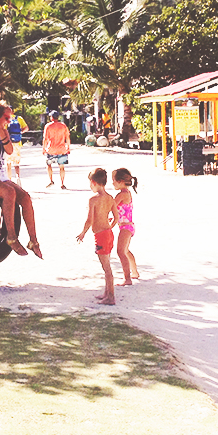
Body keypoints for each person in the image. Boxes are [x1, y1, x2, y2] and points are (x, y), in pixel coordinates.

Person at [0, 87, 42, 259]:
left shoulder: (2, 133)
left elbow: (10, 151)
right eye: (6, 117)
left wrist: (3, 133)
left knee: (25, 198)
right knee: (9, 193)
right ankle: (11, 237)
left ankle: (33, 240)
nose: (9, 121)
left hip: (1, 178)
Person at [77, 167, 119, 305]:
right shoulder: (110, 198)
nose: (90, 186)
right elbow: (116, 217)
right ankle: (106, 293)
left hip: (100, 236)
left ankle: (111, 297)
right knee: (107, 265)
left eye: (90, 183)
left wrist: (83, 232)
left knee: (106, 268)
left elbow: (90, 220)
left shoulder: (93, 200)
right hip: (108, 234)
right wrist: (110, 227)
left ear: (94, 182)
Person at [113, 167, 139, 285]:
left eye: (114, 180)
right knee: (126, 250)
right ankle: (134, 272)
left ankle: (127, 278)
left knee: (120, 252)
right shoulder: (126, 193)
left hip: (126, 227)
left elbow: (111, 206)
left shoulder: (122, 194)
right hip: (128, 225)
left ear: (121, 181)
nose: (112, 183)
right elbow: (122, 211)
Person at [42, 109, 70, 189]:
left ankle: (51, 180)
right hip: (61, 149)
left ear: (51, 117)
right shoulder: (63, 126)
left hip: (51, 149)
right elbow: (67, 138)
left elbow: (45, 139)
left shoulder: (48, 126)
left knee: (49, 165)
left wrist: (44, 148)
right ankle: (62, 183)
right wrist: (68, 147)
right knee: (61, 167)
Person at [5, 110, 27, 185]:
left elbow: (4, 130)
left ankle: (9, 180)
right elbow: (26, 128)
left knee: (8, 163)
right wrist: (20, 133)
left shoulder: (6, 119)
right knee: (16, 163)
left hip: (9, 143)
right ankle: (18, 177)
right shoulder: (19, 118)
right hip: (17, 143)